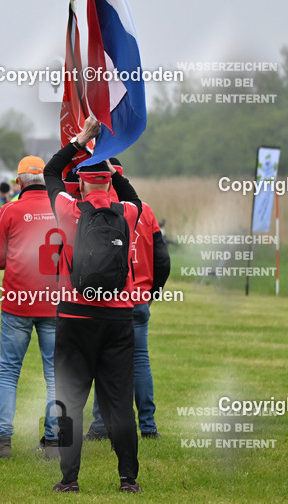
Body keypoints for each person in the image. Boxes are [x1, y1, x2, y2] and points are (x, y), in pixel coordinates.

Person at [44, 117, 144, 494]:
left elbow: (51, 170)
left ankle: (69, 479)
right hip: (118, 317)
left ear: (83, 183)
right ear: (110, 179)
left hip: (74, 313)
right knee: (119, 402)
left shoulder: (70, 210)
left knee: (69, 400)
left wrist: (81, 140)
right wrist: (108, 157)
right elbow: (131, 194)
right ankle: (128, 479)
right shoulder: (129, 213)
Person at [86, 159, 171, 442]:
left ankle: (101, 426)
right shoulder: (143, 210)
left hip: (109, 299)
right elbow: (162, 259)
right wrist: (150, 293)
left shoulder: (95, 210)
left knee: (102, 363)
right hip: (139, 300)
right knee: (140, 361)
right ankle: (148, 426)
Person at [0, 156, 60, 459]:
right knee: (56, 374)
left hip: (18, 302)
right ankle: (54, 441)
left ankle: (1, 440)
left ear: (18, 183)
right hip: (55, 302)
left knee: (9, 372)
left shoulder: (10, 210)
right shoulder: (61, 207)